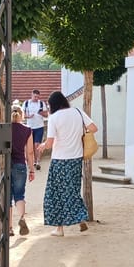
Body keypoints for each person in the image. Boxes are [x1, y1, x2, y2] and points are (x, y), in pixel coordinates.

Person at [38, 91, 97, 236]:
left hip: (60, 159)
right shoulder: (77, 112)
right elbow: (94, 128)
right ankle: (80, 217)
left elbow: (50, 143)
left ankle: (59, 229)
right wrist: (79, 133)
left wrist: (42, 146)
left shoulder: (54, 118)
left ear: (53, 104)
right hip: (76, 158)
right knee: (73, 190)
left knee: (56, 194)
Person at [9, 106, 36, 235]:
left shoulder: (5, 128)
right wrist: (32, 169)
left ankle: (9, 228)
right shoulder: (27, 130)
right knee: (20, 195)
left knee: (7, 197)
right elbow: (30, 152)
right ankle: (21, 218)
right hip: (20, 164)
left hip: (6, 165)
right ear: (22, 115)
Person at [23, 89, 48, 170]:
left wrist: (42, 113)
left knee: (37, 144)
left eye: (38, 97)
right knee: (30, 145)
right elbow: (22, 115)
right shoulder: (26, 103)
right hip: (29, 127)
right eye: (35, 96)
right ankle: (32, 160)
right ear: (32, 95)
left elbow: (46, 115)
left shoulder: (41, 103)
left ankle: (38, 161)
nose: (36, 98)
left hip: (39, 127)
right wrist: (28, 116)